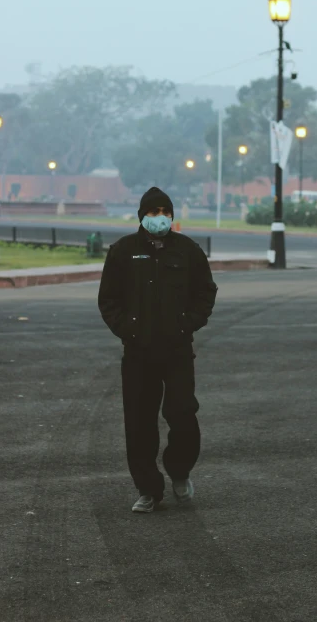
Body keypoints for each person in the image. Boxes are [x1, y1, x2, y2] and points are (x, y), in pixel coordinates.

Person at [98, 186, 218, 513]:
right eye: (153, 212)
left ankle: (179, 471)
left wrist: (188, 323)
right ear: (142, 216)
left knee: (182, 415)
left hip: (177, 351)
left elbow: (206, 293)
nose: (160, 218)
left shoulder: (187, 251)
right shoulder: (123, 251)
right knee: (139, 424)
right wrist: (128, 329)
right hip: (138, 354)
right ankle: (148, 489)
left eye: (166, 212)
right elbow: (108, 300)